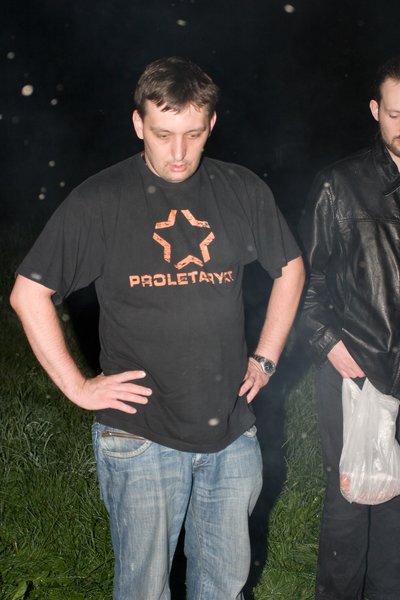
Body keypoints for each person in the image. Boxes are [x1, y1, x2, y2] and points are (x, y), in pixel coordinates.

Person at [10, 56, 304, 600]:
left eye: (193, 134)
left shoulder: (241, 190)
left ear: (211, 124)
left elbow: (290, 268)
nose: (178, 153)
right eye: (163, 134)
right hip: (140, 436)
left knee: (224, 586)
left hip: (231, 432)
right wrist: (79, 387)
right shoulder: (101, 200)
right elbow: (29, 293)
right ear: (138, 123)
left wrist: (265, 357)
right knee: (144, 589)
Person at [298, 55, 400, 600]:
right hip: (355, 369)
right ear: (375, 111)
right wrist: (328, 345)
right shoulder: (340, 184)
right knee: (351, 496)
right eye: (396, 115)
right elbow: (304, 282)